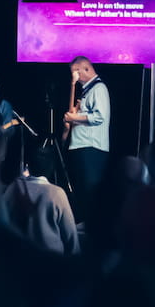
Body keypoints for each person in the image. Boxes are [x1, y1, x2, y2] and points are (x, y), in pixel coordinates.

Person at [64, 56, 110, 223]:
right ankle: (84, 223)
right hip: (82, 145)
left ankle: (90, 226)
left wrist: (75, 117)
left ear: (86, 69)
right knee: (82, 191)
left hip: (91, 146)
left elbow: (100, 116)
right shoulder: (88, 90)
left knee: (89, 191)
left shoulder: (98, 88)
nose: (75, 78)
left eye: (76, 73)